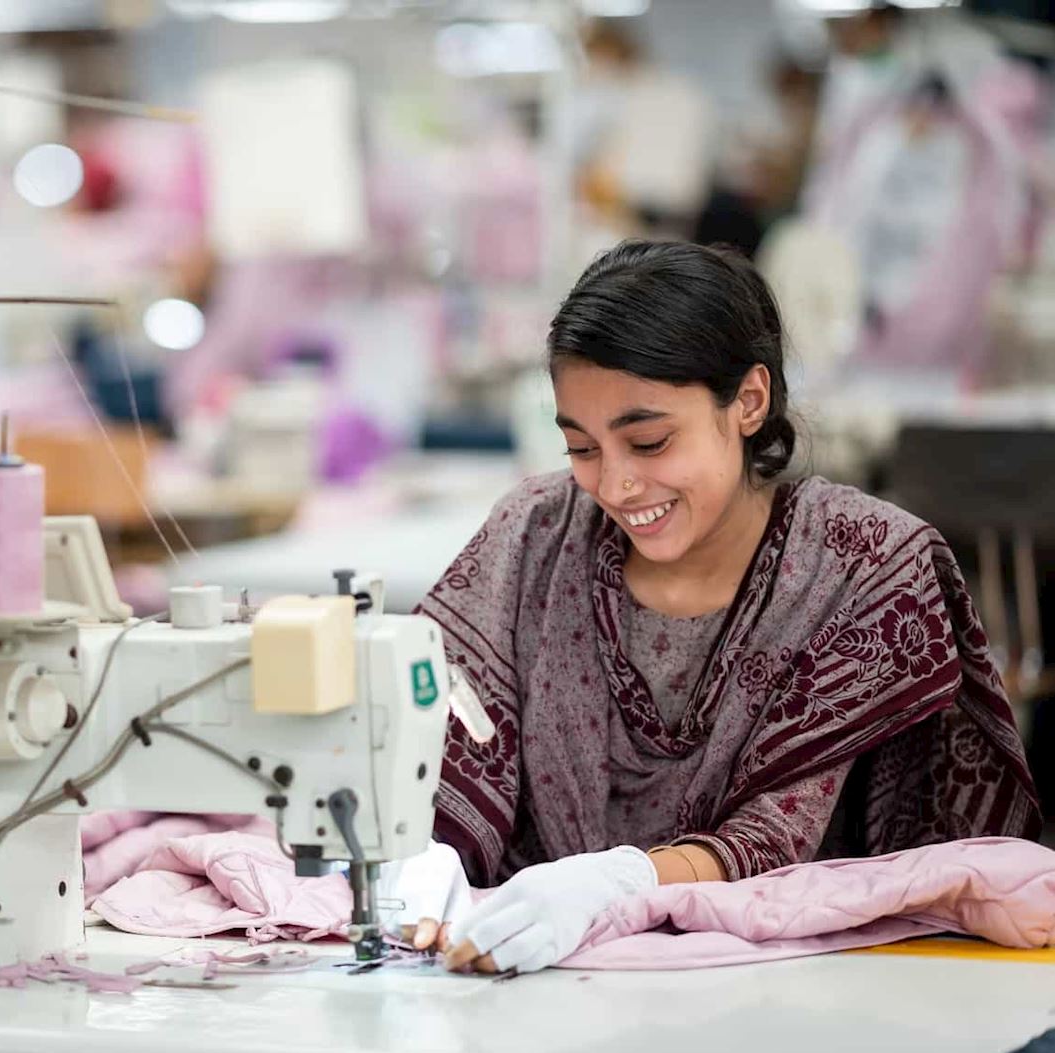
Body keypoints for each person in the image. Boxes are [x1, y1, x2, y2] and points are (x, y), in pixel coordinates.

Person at [390, 240, 1040, 975]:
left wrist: (618, 881)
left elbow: (774, 837)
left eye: (648, 441)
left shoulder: (863, 569)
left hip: (797, 986)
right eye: (580, 447)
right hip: (536, 974)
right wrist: (422, 857)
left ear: (749, 402)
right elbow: (439, 742)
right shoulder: (534, 537)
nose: (615, 484)